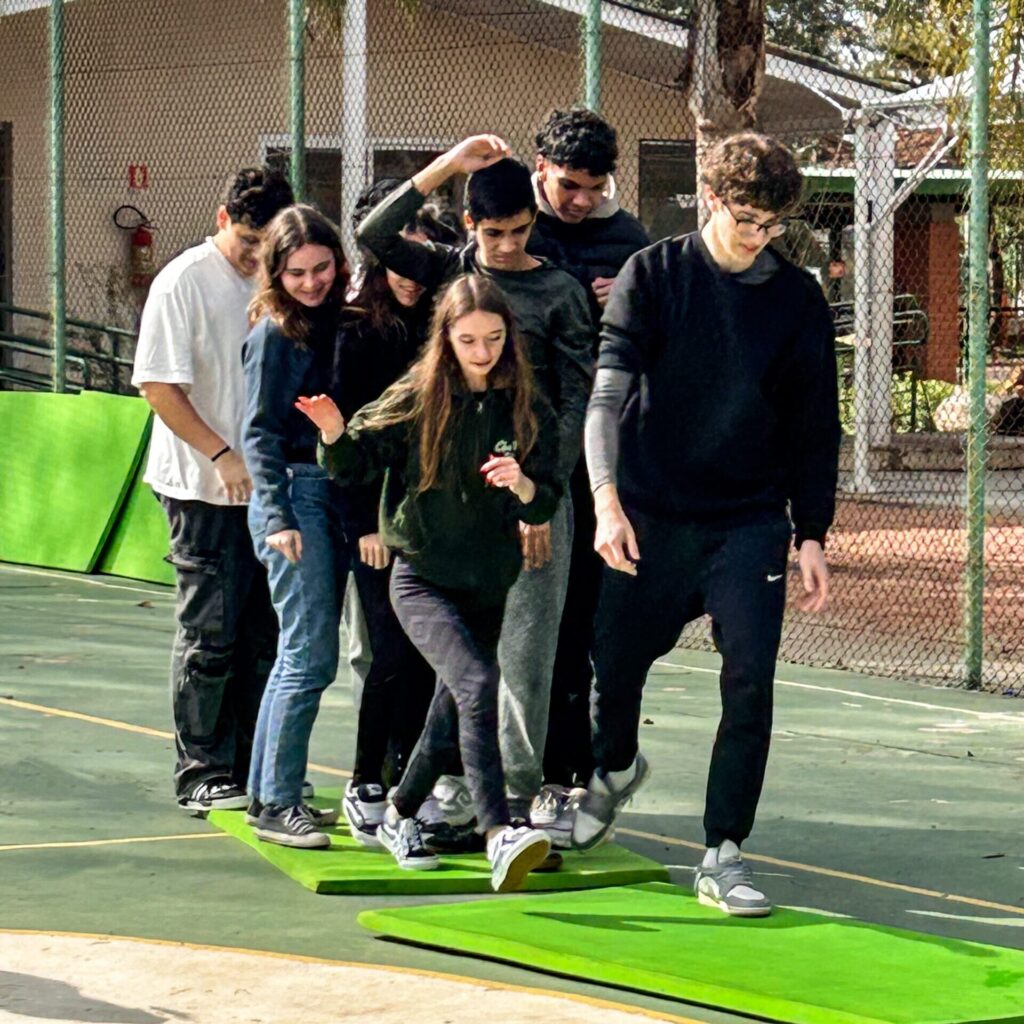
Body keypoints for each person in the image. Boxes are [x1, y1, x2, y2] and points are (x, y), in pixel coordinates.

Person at [570, 133, 841, 917]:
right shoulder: (650, 276)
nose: (758, 236)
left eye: (772, 225)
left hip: (748, 520)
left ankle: (724, 850)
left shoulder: (796, 301)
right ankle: (613, 768)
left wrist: (812, 531)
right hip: (650, 511)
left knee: (750, 677)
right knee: (614, 667)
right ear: (713, 199)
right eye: (747, 217)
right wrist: (607, 501)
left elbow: (813, 426)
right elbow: (606, 398)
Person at [355, 137, 595, 821]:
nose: (508, 244)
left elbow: (577, 401)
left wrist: (539, 499)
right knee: (460, 655)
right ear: (469, 225)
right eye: (494, 233)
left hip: (532, 490)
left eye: (521, 230)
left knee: (526, 648)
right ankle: (454, 783)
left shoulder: (559, 291)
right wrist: (448, 167)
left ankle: (518, 792)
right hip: (450, 496)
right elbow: (373, 234)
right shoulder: (449, 273)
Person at [298, 275, 559, 893]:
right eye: (468, 339)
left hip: (490, 577)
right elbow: (354, 459)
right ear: (446, 339)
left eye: (494, 338)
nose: (482, 351)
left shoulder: (522, 399)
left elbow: (543, 499)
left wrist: (521, 485)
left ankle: (397, 815)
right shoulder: (420, 393)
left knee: (451, 710)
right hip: (421, 577)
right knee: (477, 683)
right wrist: (333, 433)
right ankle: (500, 833)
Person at [131, 167, 294, 813]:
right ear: (224, 219)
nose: (257, 256)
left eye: (268, 243)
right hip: (201, 487)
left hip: (269, 488)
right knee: (211, 633)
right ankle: (201, 770)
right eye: (249, 240)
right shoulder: (184, 280)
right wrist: (221, 454)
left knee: (265, 635)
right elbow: (158, 387)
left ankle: (256, 767)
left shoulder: (282, 278)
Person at [526, 109, 651, 836]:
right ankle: (436, 773)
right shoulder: (509, 220)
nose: (578, 200)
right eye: (568, 185)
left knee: (576, 626)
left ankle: (562, 778)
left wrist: (621, 308)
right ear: (540, 163)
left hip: (589, 464)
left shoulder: (627, 240)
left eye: (593, 187)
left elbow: (647, 346)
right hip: (508, 452)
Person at [332, 182, 456, 842]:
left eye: (423, 256)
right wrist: (363, 526)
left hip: (434, 527)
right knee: (383, 655)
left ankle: (414, 778)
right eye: (398, 256)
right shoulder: (357, 332)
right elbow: (346, 443)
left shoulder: (450, 333)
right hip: (378, 525)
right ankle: (365, 782)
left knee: (427, 660)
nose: (409, 274)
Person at [240, 204, 350, 848]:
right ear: (274, 273)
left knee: (301, 652)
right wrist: (278, 515)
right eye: (296, 272)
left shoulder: (336, 316)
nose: (311, 281)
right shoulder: (276, 333)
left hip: (329, 490)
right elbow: (257, 429)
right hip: (293, 493)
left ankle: (270, 791)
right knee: (309, 654)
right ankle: (278, 802)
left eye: (322, 267)